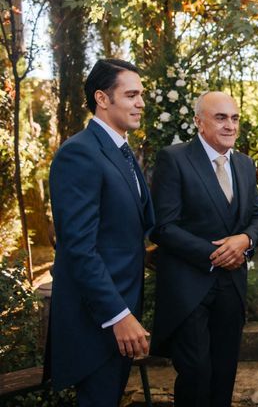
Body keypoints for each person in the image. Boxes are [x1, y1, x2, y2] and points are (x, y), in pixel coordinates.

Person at [47, 59, 155, 406]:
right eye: (132, 94)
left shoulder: (121, 151)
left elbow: (134, 229)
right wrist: (119, 316)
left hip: (124, 312)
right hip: (96, 321)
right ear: (102, 98)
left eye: (142, 95)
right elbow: (79, 248)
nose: (141, 103)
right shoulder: (80, 153)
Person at [150, 91, 258, 407]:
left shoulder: (244, 164)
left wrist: (245, 240)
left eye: (234, 118)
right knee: (196, 374)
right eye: (221, 117)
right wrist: (215, 254)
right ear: (199, 122)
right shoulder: (173, 159)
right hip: (190, 287)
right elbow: (163, 226)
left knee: (224, 372)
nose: (230, 125)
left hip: (232, 287)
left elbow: (257, 218)